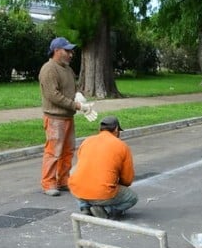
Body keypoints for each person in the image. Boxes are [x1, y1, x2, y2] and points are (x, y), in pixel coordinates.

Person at [38, 36, 95, 196]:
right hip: (55, 118)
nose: (71, 54)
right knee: (53, 152)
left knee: (68, 151)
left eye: (71, 51)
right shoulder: (49, 69)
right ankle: (48, 183)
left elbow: (73, 88)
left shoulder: (68, 69)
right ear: (56, 51)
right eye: (67, 50)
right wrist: (76, 105)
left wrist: (79, 97)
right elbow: (53, 95)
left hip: (68, 117)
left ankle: (63, 181)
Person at [68, 115, 137, 219]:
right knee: (132, 197)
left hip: (77, 189)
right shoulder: (121, 146)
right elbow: (127, 180)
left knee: (75, 171)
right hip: (102, 193)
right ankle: (106, 210)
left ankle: (85, 207)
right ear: (116, 129)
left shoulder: (87, 141)